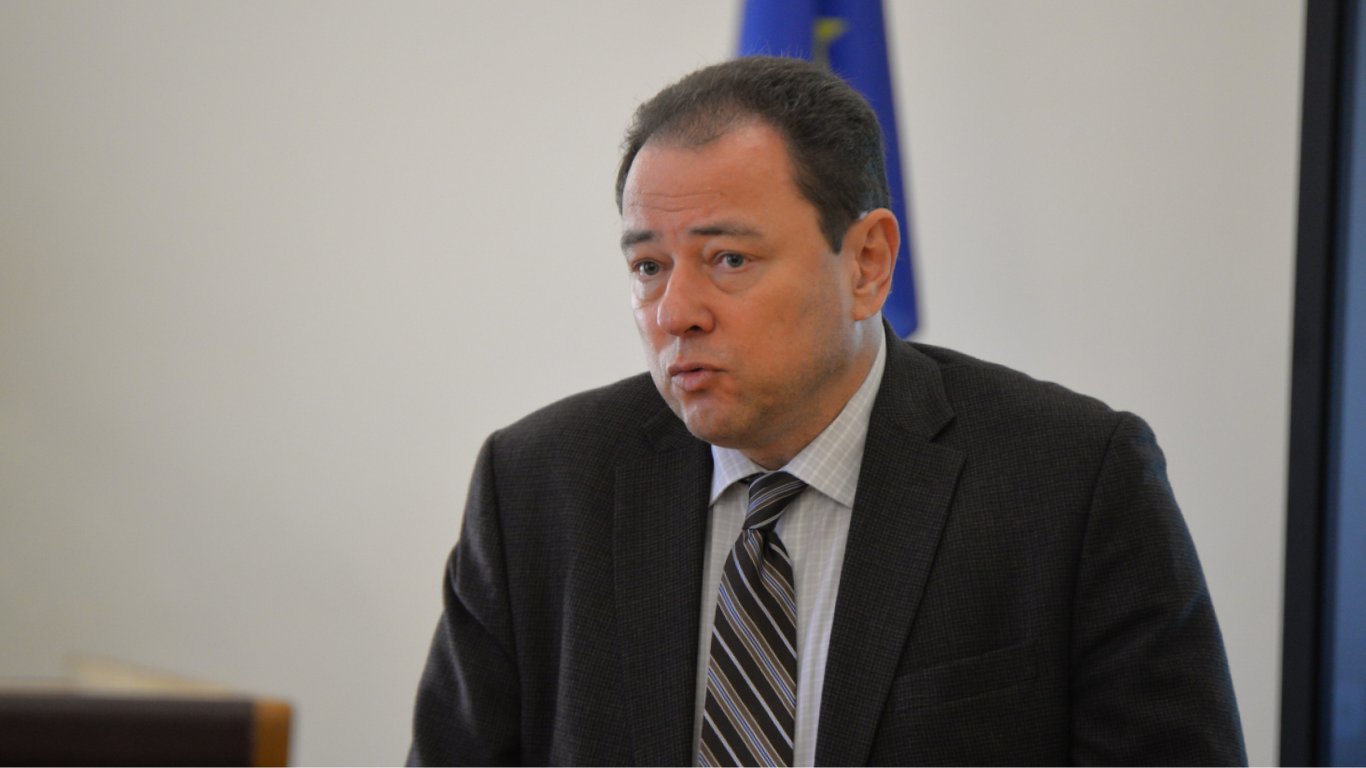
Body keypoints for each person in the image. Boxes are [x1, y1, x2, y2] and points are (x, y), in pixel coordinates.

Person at [408, 56, 1246, 766]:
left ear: (867, 264)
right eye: (648, 267)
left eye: (728, 259)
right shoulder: (535, 489)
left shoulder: (1071, 483)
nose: (675, 312)